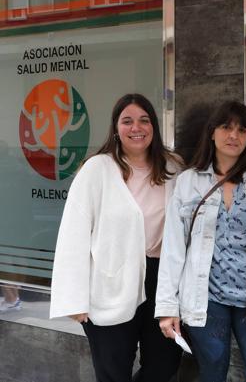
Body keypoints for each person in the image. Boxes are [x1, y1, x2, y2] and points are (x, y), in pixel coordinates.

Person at [156, 100, 246, 382]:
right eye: (226, 127)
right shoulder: (189, 182)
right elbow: (173, 249)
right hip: (206, 300)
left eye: (242, 130)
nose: (234, 135)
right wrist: (167, 308)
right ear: (212, 132)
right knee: (213, 372)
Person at [50, 93, 182, 382]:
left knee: (164, 365)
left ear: (154, 126)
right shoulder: (97, 169)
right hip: (110, 282)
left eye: (144, 120)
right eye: (128, 121)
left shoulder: (173, 168)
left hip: (162, 281)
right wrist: (74, 299)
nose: (137, 127)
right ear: (116, 128)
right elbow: (73, 234)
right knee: (113, 370)